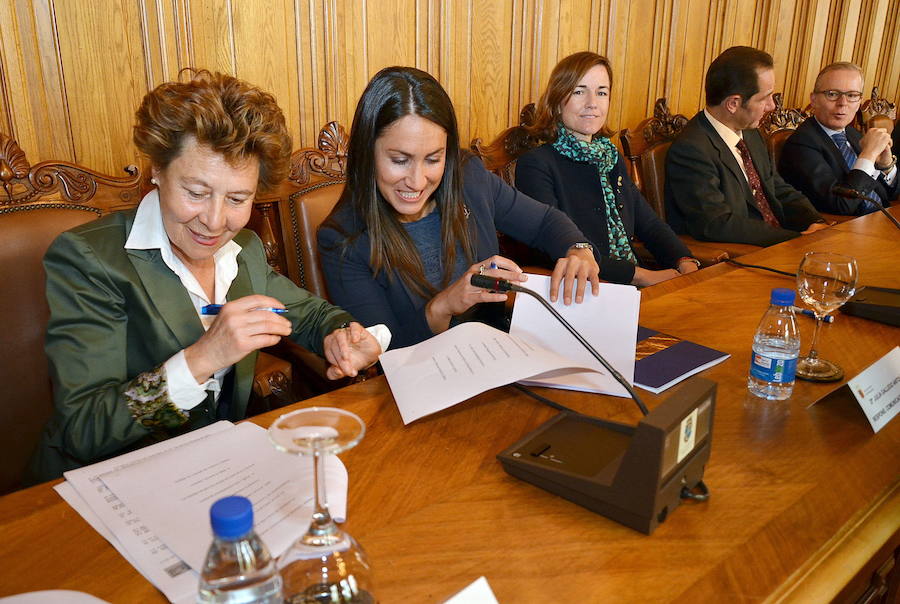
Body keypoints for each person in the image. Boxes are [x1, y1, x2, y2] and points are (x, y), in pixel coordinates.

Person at [28, 71, 384, 482]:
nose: (215, 222)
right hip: (106, 483)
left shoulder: (245, 250)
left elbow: (309, 314)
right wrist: (203, 358)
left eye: (237, 199)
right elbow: (82, 429)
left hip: (208, 472)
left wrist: (340, 336)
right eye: (196, 192)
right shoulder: (91, 258)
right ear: (157, 170)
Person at [318, 66, 601, 350]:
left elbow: (544, 222)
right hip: (424, 381)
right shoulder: (342, 238)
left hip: (501, 355)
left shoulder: (467, 177)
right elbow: (383, 354)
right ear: (368, 153)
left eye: (432, 159)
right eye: (400, 160)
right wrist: (442, 307)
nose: (417, 181)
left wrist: (579, 249)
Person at [515, 51, 700, 286]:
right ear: (557, 100)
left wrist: (684, 260)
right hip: (584, 289)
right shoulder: (536, 163)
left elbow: (649, 224)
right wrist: (642, 276)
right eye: (579, 91)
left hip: (631, 285)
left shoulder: (610, 158)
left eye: (602, 92)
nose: (592, 103)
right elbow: (554, 244)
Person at [665, 46, 827, 246]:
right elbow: (717, 223)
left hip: (780, 244)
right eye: (764, 98)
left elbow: (777, 188)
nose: (772, 106)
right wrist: (795, 240)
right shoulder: (692, 150)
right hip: (743, 255)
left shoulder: (751, 133)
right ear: (733, 103)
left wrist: (815, 222)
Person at [779, 62, 897, 215]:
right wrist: (868, 156)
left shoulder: (853, 134)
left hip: (881, 220)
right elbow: (840, 204)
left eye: (852, 95)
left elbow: (893, 194)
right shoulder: (801, 144)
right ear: (814, 99)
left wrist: (886, 166)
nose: (843, 104)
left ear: (860, 101)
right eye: (832, 94)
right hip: (844, 230)